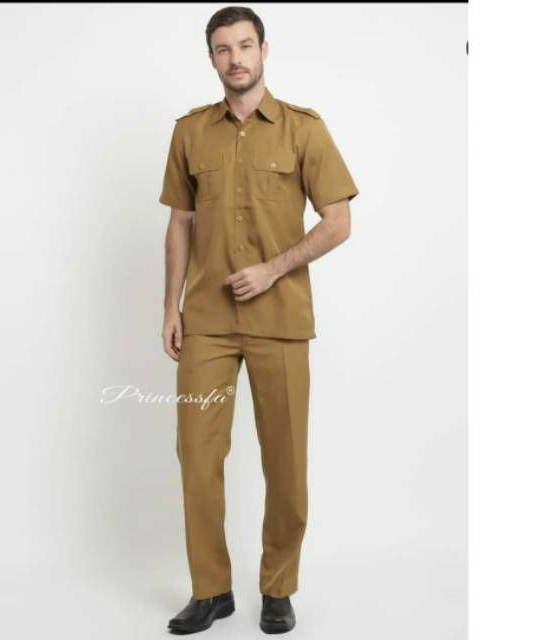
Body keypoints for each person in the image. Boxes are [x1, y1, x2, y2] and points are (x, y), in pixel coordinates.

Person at [158, 6, 359, 635]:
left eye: (245, 46)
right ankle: (210, 590)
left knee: (286, 464)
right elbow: (180, 223)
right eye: (223, 49)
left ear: (264, 50)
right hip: (207, 322)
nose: (235, 58)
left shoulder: (303, 129)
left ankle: (278, 588)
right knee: (196, 457)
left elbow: (338, 222)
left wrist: (274, 269)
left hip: (281, 319)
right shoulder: (190, 132)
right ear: (211, 59)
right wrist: (170, 306)